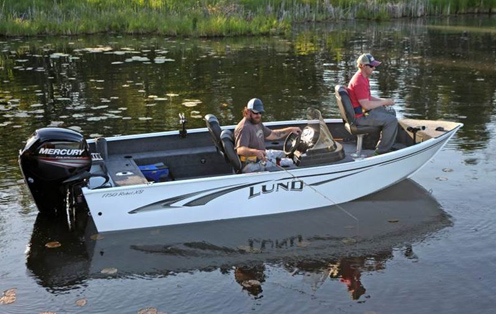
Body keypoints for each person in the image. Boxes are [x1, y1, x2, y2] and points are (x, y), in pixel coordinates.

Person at [347, 53, 398, 155]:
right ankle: (381, 152)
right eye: (371, 66)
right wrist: (385, 102)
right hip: (360, 117)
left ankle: (384, 144)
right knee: (392, 121)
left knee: (391, 112)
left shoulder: (363, 77)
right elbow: (366, 105)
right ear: (362, 66)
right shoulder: (359, 81)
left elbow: (368, 98)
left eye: (374, 65)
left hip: (363, 112)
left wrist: (382, 101)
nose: (374, 68)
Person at [234, 98, 300, 173]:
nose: (258, 115)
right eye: (256, 113)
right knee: (290, 162)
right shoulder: (244, 128)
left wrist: (290, 130)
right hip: (251, 163)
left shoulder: (256, 122)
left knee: (285, 154)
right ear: (248, 111)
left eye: (260, 113)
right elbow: (239, 150)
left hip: (263, 154)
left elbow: (272, 134)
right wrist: (255, 152)